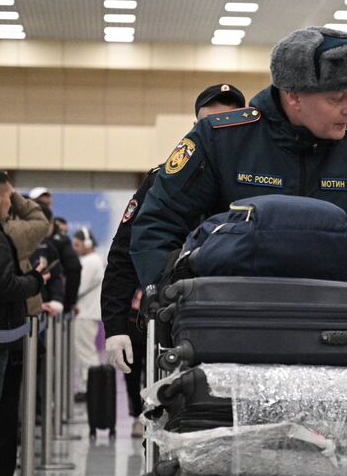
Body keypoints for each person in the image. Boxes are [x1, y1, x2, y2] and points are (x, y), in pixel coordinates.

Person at [130, 27, 347, 291]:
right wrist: (182, 297)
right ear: (294, 95)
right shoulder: (222, 140)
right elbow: (158, 225)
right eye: (336, 97)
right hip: (232, 317)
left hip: (328, 319)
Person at [103, 83, 247, 433]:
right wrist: (116, 325)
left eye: (226, 122)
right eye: (207, 124)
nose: (215, 132)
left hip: (242, 317)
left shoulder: (254, 183)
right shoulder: (164, 180)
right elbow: (125, 252)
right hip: (178, 318)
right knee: (175, 422)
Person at [0, 170, 48, 476]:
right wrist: (12, 192)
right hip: (9, 324)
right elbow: (39, 220)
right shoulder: (12, 232)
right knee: (4, 405)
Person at [70, 228, 104, 398]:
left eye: (77, 244)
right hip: (87, 313)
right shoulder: (92, 260)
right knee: (87, 352)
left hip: (85, 313)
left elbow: (78, 287)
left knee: (86, 353)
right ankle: (89, 386)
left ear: (87, 243)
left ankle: (92, 388)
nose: (74, 248)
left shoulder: (90, 261)